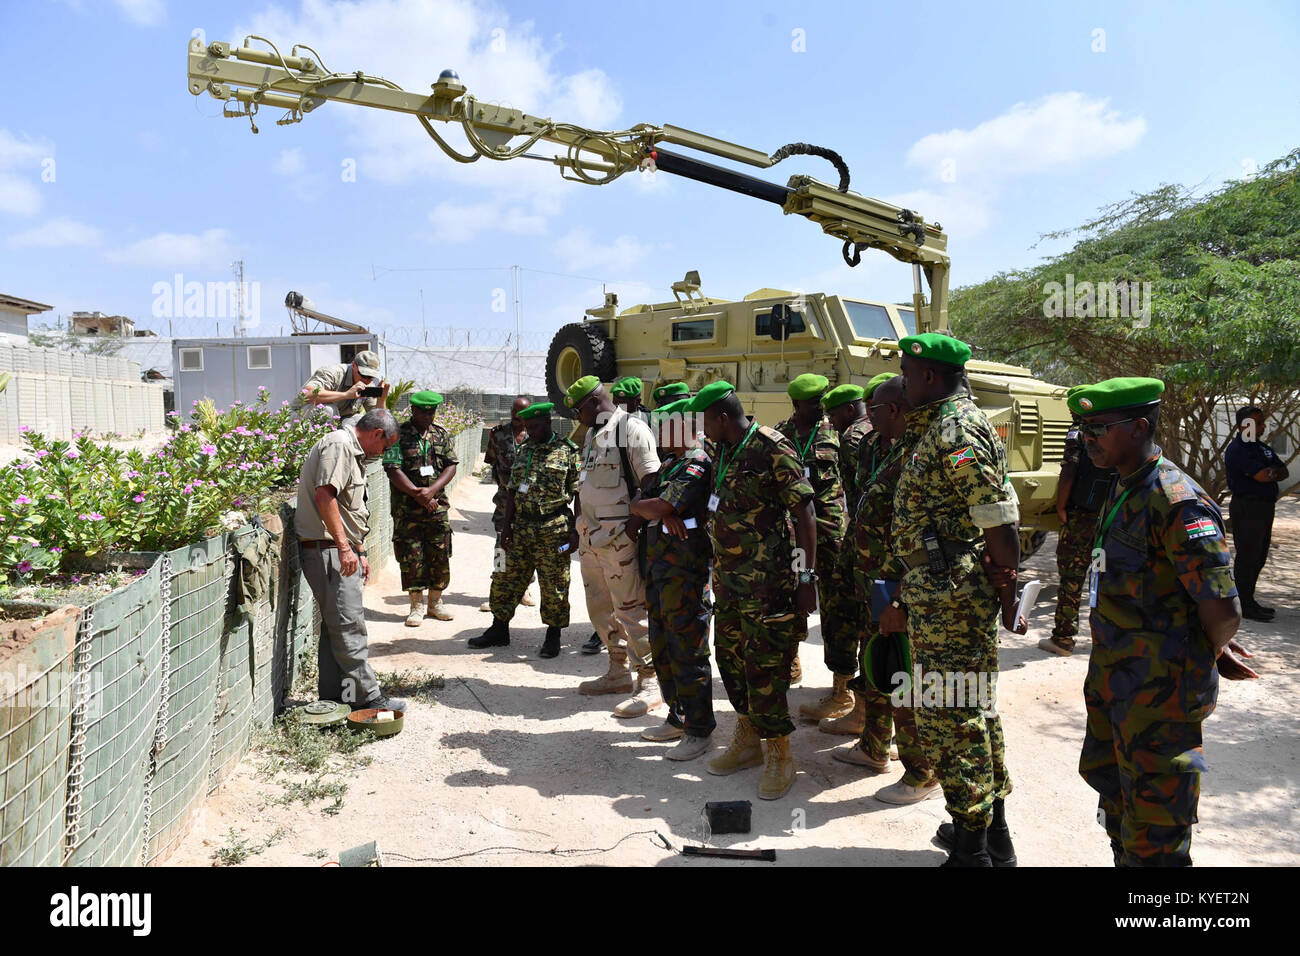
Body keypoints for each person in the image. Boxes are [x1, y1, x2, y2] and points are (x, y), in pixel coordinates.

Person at [1068, 377, 1256, 866]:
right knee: (1120, 812)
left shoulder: (1175, 499)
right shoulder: (1126, 485)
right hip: (1118, 686)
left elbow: (1223, 610)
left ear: (1139, 427)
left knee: (1157, 838)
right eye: (1082, 428)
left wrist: (1207, 648)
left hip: (1161, 700)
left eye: (1098, 429)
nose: (1087, 439)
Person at [885, 333, 1022, 866]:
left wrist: (1005, 581)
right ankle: (993, 835)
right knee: (974, 710)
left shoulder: (956, 429)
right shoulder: (942, 426)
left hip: (950, 599)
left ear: (929, 377)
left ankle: (971, 852)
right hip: (941, 592)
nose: (901, 381)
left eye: (906, 372)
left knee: (952, 715)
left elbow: (996, 515)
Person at [689, 381, 818, 800]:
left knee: (765, 669)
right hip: (728, 582)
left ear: (722, 418)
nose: (701, 428)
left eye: (705, 419)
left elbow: (805, 514)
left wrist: (805, 579)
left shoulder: (771, 446)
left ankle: (780, 754)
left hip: (769, 584)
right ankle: (746, 741)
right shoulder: (721, 450)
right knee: (730, 660)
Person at [837, 374, 941, 803]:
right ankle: (874, 745)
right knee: (876, 661)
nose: (866, 416)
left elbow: (922, 532)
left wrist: (895, 596)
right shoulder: (890, 449)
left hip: (896, 584)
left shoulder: (919, 457)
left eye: (873, 409)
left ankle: (922, 772)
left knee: (901, 672)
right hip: (874, 580)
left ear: (894, 410)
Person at [294, 408, 405, 711]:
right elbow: (325, 496)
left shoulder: (353, 452)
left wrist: (359, 549)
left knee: (336, 627)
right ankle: (370, 700)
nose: (383, 454)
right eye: (384, 447)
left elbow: (348, 507)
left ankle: (335, 699)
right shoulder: (340, 445)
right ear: (376, 433)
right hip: (329, 550)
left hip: (336, 549)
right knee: (349, 625)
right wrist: (345, 548)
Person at [567, 376, 662, 712]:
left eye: (579, 410)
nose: (577, 418)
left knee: (632, 611)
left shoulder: (631, 430)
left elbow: (650, 485)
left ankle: (648, 680)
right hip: (592, 541)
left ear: (594, 402)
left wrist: (632, 531)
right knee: (601, 609)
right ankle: (617, 671)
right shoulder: (593, 434)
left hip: (620, 542)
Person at [629, 398, 716, 760]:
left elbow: (661, 506)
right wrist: (654, 509)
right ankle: (677, 716)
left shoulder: (697, 464)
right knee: (662, 643)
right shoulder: (669, 465)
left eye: (665, 425)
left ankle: (699, 729)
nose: (660, 433)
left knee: (688, 649)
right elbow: (639, 500)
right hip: (661, 569)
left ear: (685, 426)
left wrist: (658, 510)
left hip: (686, 572)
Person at [472, 402, 580, 658]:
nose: (530, 431)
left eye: (534, 427)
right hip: (520, 527)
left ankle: (553, 636)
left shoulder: (567, 451)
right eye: (527, 427)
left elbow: (579, 493)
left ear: (547, 423)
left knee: (555, 584)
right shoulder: (523, 450)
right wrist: (506, 527)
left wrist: (576, 530)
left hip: (553, 528)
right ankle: (499, 629)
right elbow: (511, 490)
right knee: (504, 577)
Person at [774, 374, 846, 701]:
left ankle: (841, 684)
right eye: (813, 402)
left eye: (822, 400)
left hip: (831, 532)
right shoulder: (781, 434)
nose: (820, 407)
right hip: (792, 533)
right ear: (796, 405)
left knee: (835, 606)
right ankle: (791, 659)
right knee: (793, 594)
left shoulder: (837, 431)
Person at [811, 381, 874, 734]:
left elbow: (859, 494)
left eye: (833, 414)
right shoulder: (873, 433)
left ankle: (856, 706)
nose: (830, 422)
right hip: (862, 539)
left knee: (854, 619)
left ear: (849, 410)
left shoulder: (853, 439)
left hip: (861, 542)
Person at [1040, 405, 1115, 655]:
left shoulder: (1078, 433)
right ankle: (1106, 640)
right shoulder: (1113, 431)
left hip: (1080, 515)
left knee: (1072, 576)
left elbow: (1069, 470)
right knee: (1103, 574)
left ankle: (1063, 638)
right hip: (1109, 515)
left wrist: (1061, 505)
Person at [383, 390, 458, 626]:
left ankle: (436, 603)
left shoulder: (441, 435)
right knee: (411, 557)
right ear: (413, 410)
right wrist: (417, 494)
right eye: (423, 412)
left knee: (439, 553)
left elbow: (451, 466)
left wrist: (432, 491)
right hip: (408, 510)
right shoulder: (398, 435)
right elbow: (393, 469)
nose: (428, 416)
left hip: (436, 508)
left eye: (432, 412)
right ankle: (416, 606)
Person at [1225, 405, 1289, 622]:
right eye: (1257, 422)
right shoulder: (1238, 449)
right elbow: (1262, 475)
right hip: (1247, 506)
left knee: (1259, 556)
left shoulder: (1261, 448)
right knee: (1248, 556)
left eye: (1262, 422)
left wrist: (1270, 473)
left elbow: (1283, 470)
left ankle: (1248, 600)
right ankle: (1242, 603)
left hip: (1264, 506)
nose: (1262, 426)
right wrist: (1269, 472)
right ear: (1244, 425)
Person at [481, 397, 537, 612]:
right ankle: (498, 587)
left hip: (528, 504)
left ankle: (525, 588)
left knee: (527, 546)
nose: (516, 415)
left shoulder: (536, 435)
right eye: (514, 410)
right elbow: (493, 464)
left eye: (521, 412)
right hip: (504, 503)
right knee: (500, 546)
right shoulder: (497, 434)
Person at [296, 349, 390, 425]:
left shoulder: (368, 385)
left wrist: (381, 400)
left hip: (336, 422)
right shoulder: (333, 373)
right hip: (299, 418)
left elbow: (378, 421)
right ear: (353, 365)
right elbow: (306, 394)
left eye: (371, 377)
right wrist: (346, 394)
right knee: (328, 411)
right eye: (363, 375)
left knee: (360, 422)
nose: (366, 380)